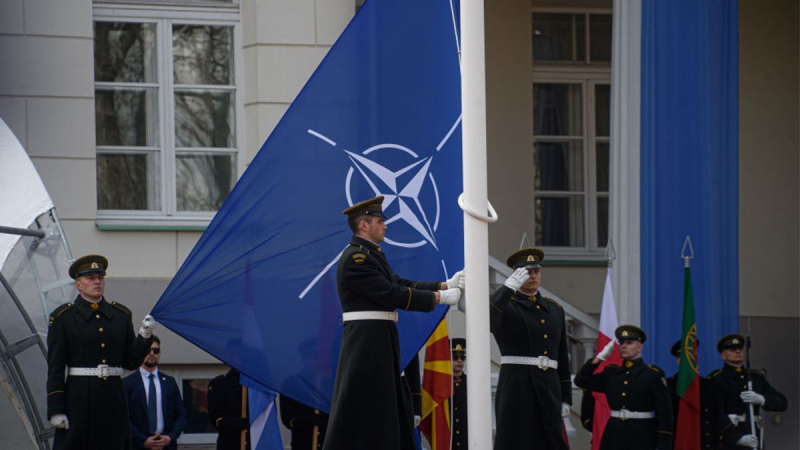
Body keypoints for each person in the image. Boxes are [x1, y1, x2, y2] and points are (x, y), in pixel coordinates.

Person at [322, 195, 464, 450]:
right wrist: (438, 298)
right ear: (364, 225)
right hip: (367, 342)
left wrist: (443, 285)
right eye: (380, 221)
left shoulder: (371, 256)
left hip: (378, 338)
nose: (385, 225)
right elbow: (390, 293)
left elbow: (399, 283)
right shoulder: (357, 259)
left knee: (384, 410)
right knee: (367, 412)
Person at [46, 254, 156, 450]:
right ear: (78, 285)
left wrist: (144, 336)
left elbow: (129, 362)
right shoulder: (63, 318)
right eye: (90, 278)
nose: (97, 282)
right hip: (78, 398)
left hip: (113, 397)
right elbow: (55, 367)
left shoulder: (121, 315)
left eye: (100, 277)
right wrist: (56, 409)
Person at [490, 248, 571, 450]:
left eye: (536, 271)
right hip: (517, 386)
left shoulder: (554, 309)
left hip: (548, 388)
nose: (533, 276)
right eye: (527, 272)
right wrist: (507, 288)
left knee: (549, 441)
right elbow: (486, 320)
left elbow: (561, 355)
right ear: (516, 275)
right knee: (516, 440)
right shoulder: (506, 305)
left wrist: (565, 397)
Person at [574, 325, 673, 450]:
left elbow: (665, 413)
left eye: (629, 343)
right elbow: (581, 381)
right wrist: (598, 359)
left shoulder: (652, 374)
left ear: (639, 347)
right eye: (621, 343)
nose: (624, 346)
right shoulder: (611, 374)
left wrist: (664, 445)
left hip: (643, 435)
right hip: (614, 434)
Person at [708, 333, 787, 449]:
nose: (738, 352)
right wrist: (737, 438)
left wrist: (762, 400)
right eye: (732, 349)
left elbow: (782, 402)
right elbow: (716, 414)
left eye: (740, 349)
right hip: (729, 440)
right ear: (723, 356)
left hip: (754, 435)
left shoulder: (756, 377)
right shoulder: (717, 379)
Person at [123, 335, 187, 449]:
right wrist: (143, 440)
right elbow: (124, 418)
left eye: (156, 350)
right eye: (148, 350)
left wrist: (170, 437)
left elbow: (181, 414)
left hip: (166, 445)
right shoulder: (128, 384)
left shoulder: (169, 382)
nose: (152, 354)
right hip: (138, 445)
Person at [666, 339, 717, 449]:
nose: (690, 361)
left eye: (693, 356)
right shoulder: (668, 386)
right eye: (686, 357)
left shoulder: (708, 386)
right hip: (678, 443)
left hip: (703, 442)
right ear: (678, 360)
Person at [208, 368, 251, 450]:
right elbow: (216, 417)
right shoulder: (220, 384)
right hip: (230, 444)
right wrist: (236, 424)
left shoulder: (259, 385)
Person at [450, 338, 468, 449]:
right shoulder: (443, 384)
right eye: (455, 357)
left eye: (463, 357)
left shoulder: (470, 384)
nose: (460, 361)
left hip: (466, 441)